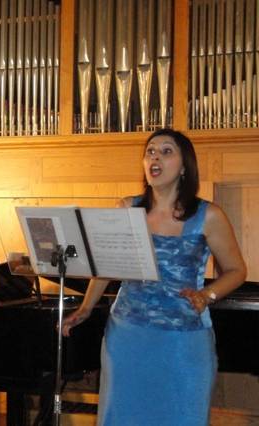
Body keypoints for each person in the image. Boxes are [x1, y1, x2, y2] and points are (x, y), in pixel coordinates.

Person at [62, 128, 247, 426]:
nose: (155, 157)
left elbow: (237, 270)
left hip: (184, 342)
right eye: (150, 151)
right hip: (127, 336)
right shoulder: (127, 207)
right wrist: (85, 308)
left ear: (185, 166)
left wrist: (207, 295)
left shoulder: (208, 215)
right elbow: (108, 266)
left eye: (166, 151)